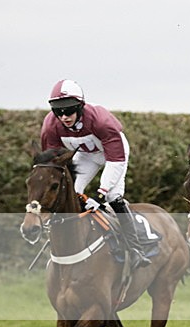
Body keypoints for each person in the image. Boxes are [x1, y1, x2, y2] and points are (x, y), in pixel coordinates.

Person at [41, 79, 150, 268]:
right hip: (87, 155)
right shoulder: (50, 126)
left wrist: (100, 195)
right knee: (70, 194)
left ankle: (136, 249)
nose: (64, 116)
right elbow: (53, 165)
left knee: (113, 195)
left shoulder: (101, 121)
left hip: (113, 155)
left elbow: (115, 160)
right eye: (58, 111)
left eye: (69, 110)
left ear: (80, 106)